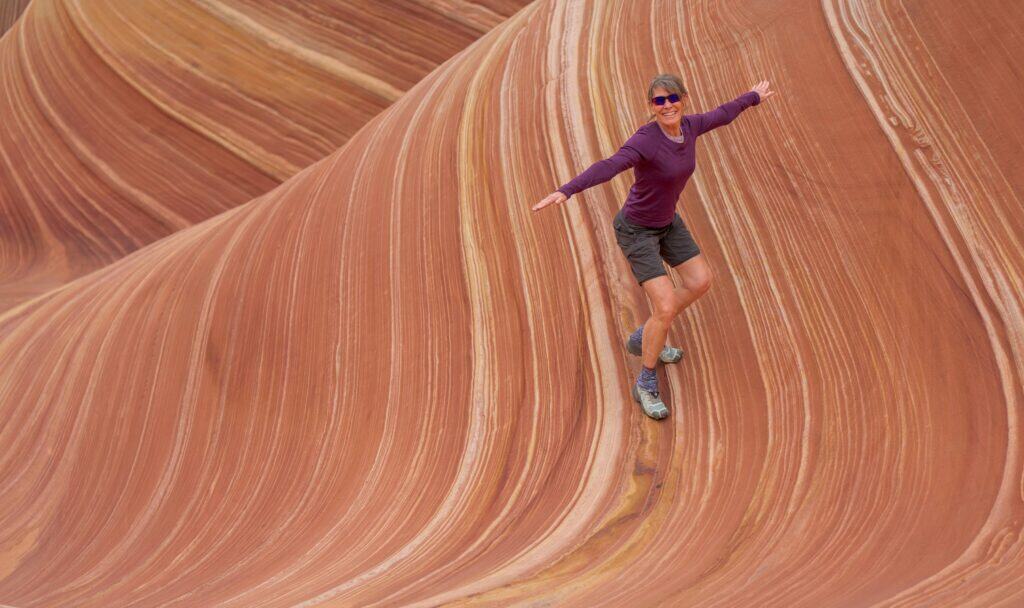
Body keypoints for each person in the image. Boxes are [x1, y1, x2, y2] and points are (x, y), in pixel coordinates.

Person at [532, 74, 775, 419]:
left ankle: (646, 335)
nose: (667, 106)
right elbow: (610, 165)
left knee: (700, 281)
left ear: (683, 99)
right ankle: (645, 382)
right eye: (659, 101)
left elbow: (723, 113)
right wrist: (567, 190)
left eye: (672, 98)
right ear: (651, 107)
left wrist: (752, 96)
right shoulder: (646, 140)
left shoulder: (690, 126)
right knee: (663, 306)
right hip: (636, 231)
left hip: (667, 223)